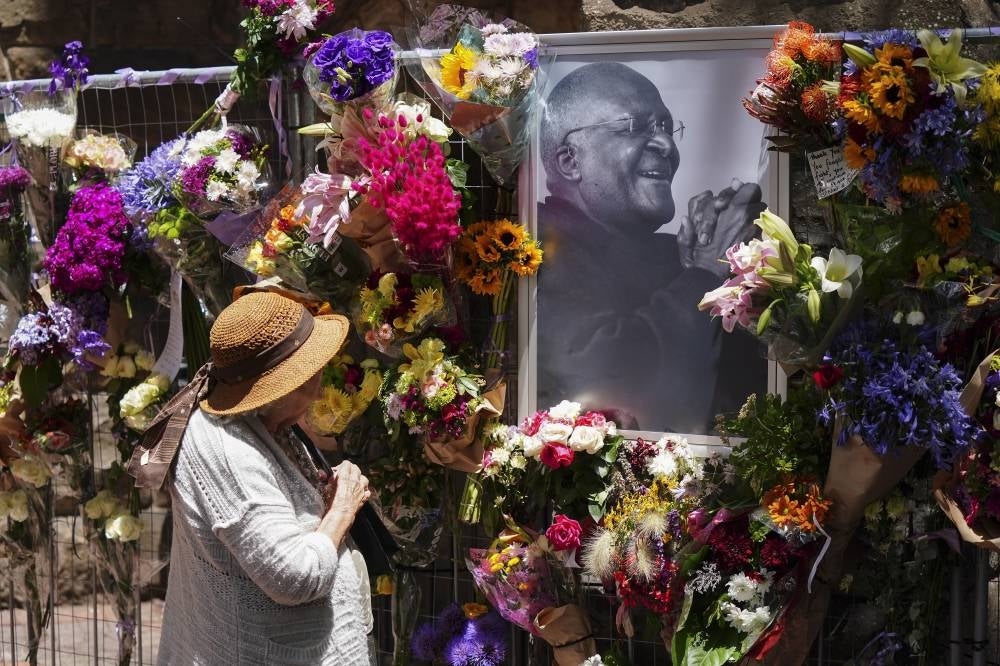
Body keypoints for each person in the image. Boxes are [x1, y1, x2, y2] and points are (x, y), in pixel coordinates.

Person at [128, 291, 374, 665]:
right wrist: (342, 509)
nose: (321, 382)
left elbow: (263, 524)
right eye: (314, 368)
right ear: (289, 383)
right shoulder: (229, 450)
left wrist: (315, 500)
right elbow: (294, 576)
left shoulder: (260, 423)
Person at [537, 61, 767, 433]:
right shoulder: (539, 247)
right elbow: (612, 379)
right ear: (570, 161)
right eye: (636, 127)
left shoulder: (667, 253)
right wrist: (705, 273)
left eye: (666, 126)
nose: (665, 144)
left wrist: (741, 267)